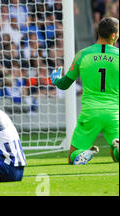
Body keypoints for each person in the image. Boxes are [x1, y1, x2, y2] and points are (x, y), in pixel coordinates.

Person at [51, 17, 119, 165]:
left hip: (90, 113)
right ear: (113, 35)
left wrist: (56, 79)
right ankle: (117, 148)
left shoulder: (82, 55)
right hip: (114, 113)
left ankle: (83, 153)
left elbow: (64, 85)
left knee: (72, 157)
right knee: (115, 157)